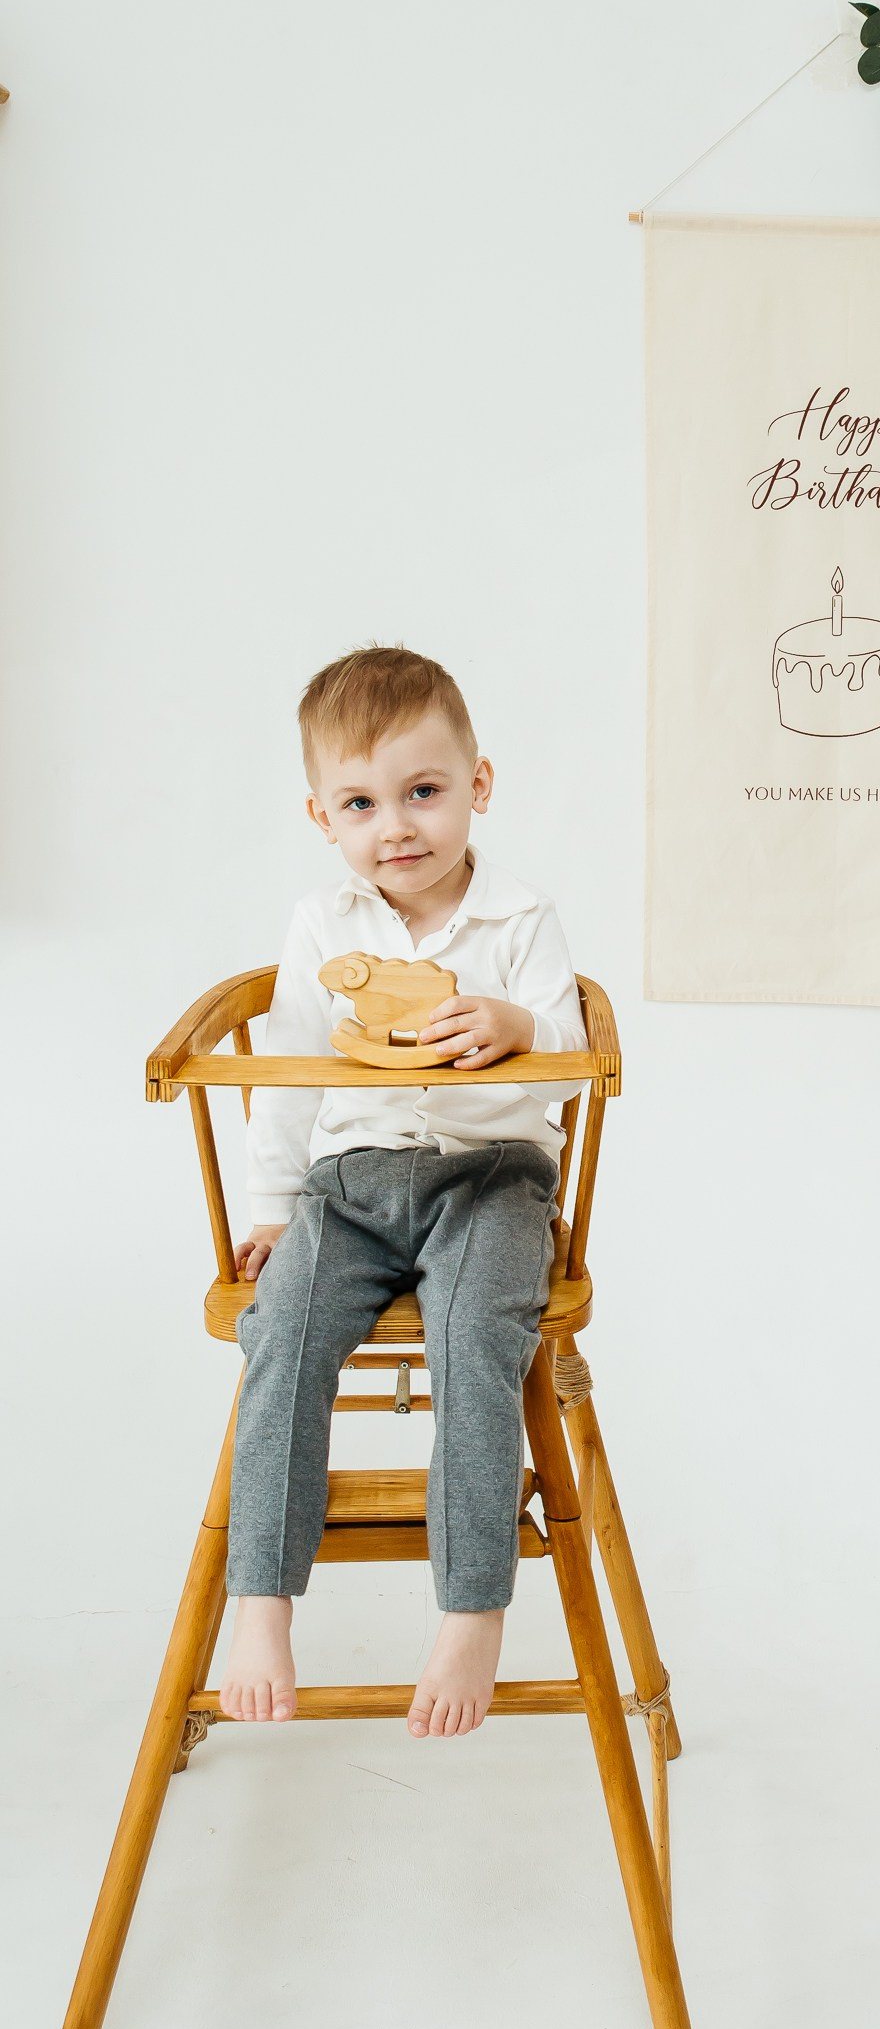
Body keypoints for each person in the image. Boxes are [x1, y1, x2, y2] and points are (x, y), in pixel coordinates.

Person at [217, 645, 583, 1737]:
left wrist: (519, 1027)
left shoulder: (518, 920)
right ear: (324, 817)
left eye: (424, 792)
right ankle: (261, 1597)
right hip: (352, 1184)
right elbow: (284, 1080)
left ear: (477, 783)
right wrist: (273, 1213)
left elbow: (576, 1043)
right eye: (363, 803)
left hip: (491, 1181)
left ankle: (473, 1605)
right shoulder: (325, 926)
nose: (399, 827)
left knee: (478, 1335)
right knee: (280, 1334)